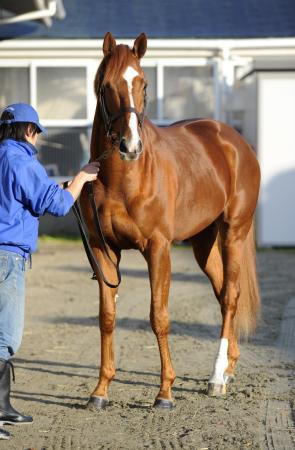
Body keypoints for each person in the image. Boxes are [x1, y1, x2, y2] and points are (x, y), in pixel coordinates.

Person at [0, 103, 99, 440]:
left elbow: (26, 199)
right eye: (37, 132)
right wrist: (83, 177)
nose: (38, 138)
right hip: (7, 257)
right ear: (30, 131)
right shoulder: (22, 160)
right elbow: (55, 206)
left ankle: (2, 407)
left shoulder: (2, 157)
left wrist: (62, 187)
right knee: (5, 338)